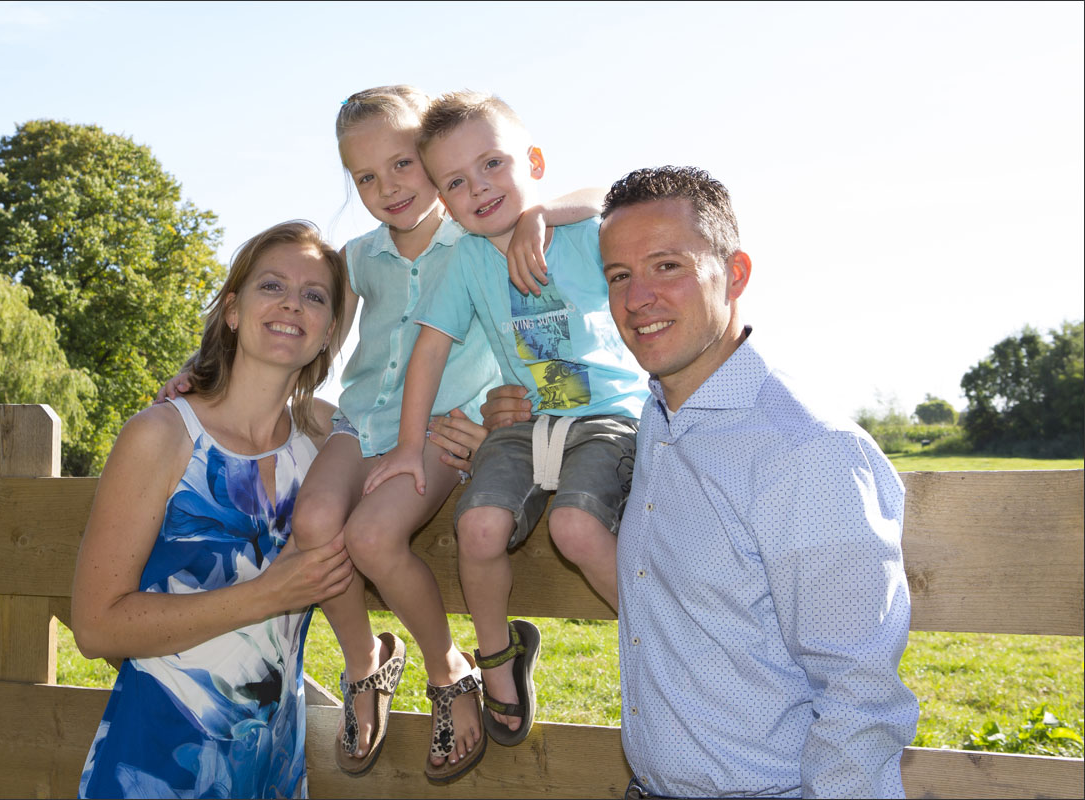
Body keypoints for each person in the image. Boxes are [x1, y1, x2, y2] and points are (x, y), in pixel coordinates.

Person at [156, 85, 603, 784]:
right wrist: (201, 367)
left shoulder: (481, 238)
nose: (387, 186)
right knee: (315, 520)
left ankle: (447, 669)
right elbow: (304, 329)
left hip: (440, 431)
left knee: (371, 537)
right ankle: (365, 663)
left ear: (432, 161)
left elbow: (602, 198)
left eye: (402, 165)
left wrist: (540, 212)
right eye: (365, 177)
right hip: (362, 425)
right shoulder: (360, 256)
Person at [597, 166, 919, 798]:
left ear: (735, 274)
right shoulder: (659, 420)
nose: (638, 299)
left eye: (668, 266)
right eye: (619, 276)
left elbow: (860, 700)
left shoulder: (807, 452)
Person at [364, 91, 646, 754]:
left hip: (607, 416)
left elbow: (615, 194)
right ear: (443, 196)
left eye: (493, 163)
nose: (478, 187)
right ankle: (498, 657)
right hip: (527, 423)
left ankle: (653, 646)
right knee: (478, 525)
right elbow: (428, 348)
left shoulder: (577, 233)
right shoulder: (465, 261)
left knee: (578, 527)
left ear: (534, 162)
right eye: (455, 181)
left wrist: (542, 214)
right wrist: (410, 445)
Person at [72, 221, 356, 799]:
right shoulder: (164, 435)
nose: (291, 305)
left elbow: (425, 438)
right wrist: (267, 595)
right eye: (271, 286)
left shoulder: (329, 442)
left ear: (330, 330)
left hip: (272, 769)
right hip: (156, 764)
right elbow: (95, 626)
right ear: (232, 310)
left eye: (314, 296)